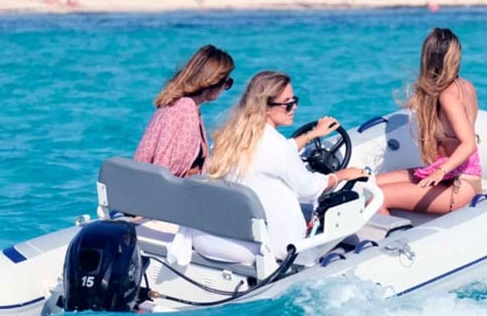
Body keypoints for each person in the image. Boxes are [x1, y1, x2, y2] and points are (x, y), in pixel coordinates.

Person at [198, 71, 367, 261]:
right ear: (266, 108)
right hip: (279, 241)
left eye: (294, 100)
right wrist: (342, 175)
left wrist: (311, 135)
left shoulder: (229, 138)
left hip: (239, 229)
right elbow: (309, 189)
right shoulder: (277, 147)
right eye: (287, 104)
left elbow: (273, 155)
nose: (293, 107)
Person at [378, 27, 481, 215]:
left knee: (377, 197)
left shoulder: (447, 97)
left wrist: (440, 171)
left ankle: (391, 244)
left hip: (459, 184)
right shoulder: (466, 86)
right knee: (371, 184)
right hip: (454, 175)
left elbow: (469, 143)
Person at [134, 45, 235, 178]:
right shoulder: (184, 109)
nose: (225, 88)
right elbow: (168, 169)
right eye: (227, 82)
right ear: (214, 82)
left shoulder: (176, 104)